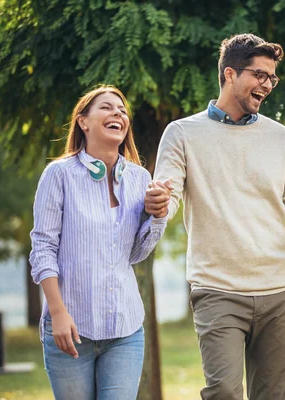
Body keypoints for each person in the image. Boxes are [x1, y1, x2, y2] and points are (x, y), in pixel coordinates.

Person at [148, 34, 285, 400]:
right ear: (229, 74)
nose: (267, 85)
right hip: (217, 289)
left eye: (272, 78)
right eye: (259, 75)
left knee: (271, 395)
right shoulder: (182, 133)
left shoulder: (282, 137)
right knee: (222, 390)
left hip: (280, 291)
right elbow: (169, 193)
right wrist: (159, 203)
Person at [29, 85, 170, 399]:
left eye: (122, 111)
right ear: (83, 121)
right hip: (69, 327)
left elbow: (135, 253)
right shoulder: (59, 175)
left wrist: (158, 215)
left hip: (125, 330)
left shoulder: (139, 179)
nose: (118, 114)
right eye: (107, 108)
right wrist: (58, 312)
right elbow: (43, 247)